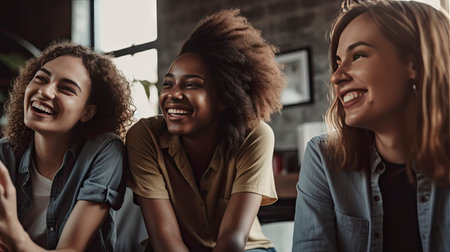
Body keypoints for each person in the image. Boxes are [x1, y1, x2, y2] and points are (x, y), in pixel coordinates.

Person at [292, 1, 450, 251]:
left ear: (413, 63)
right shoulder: (323, 158)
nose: (336, 76)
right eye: (338, 61)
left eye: (358, 56)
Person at [127, 9, 286, 252]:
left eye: (191, 85)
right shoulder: (145, 137)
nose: (173, 95)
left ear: (224, 98)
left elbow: (233, 239)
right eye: (168, 84)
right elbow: (165, 239)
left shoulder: (254, 136)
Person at [0, 41, 134, 251]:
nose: (45, 92)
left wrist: (13, 235)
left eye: (66, 89)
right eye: (41, 79)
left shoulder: (105, 151)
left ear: (87, 112)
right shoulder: (4, 154)